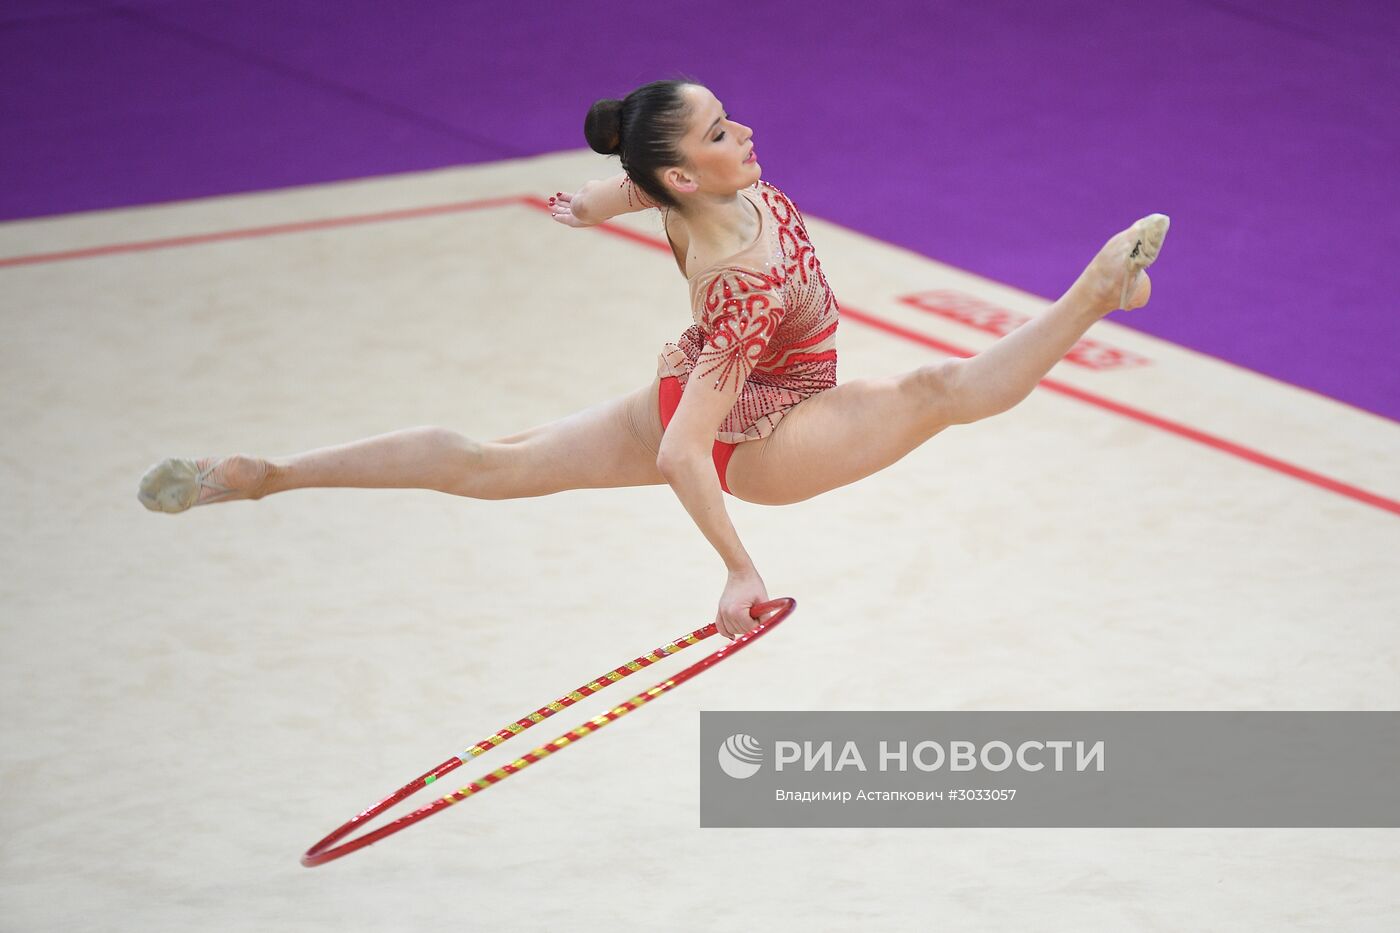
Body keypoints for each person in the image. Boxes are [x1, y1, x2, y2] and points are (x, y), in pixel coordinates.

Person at [138, 79, 1169, 642]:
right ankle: (1091, 296)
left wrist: (575, 203)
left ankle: (271, 476)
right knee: (933, 391)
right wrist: (737, 570)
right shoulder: (742, 281)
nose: (748, 130)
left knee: (491, 465)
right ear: (687, 168)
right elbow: (685, 453)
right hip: (763, 438)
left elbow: (608, 192)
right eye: (725, 130)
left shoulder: (678, 191)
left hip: (696, 380)